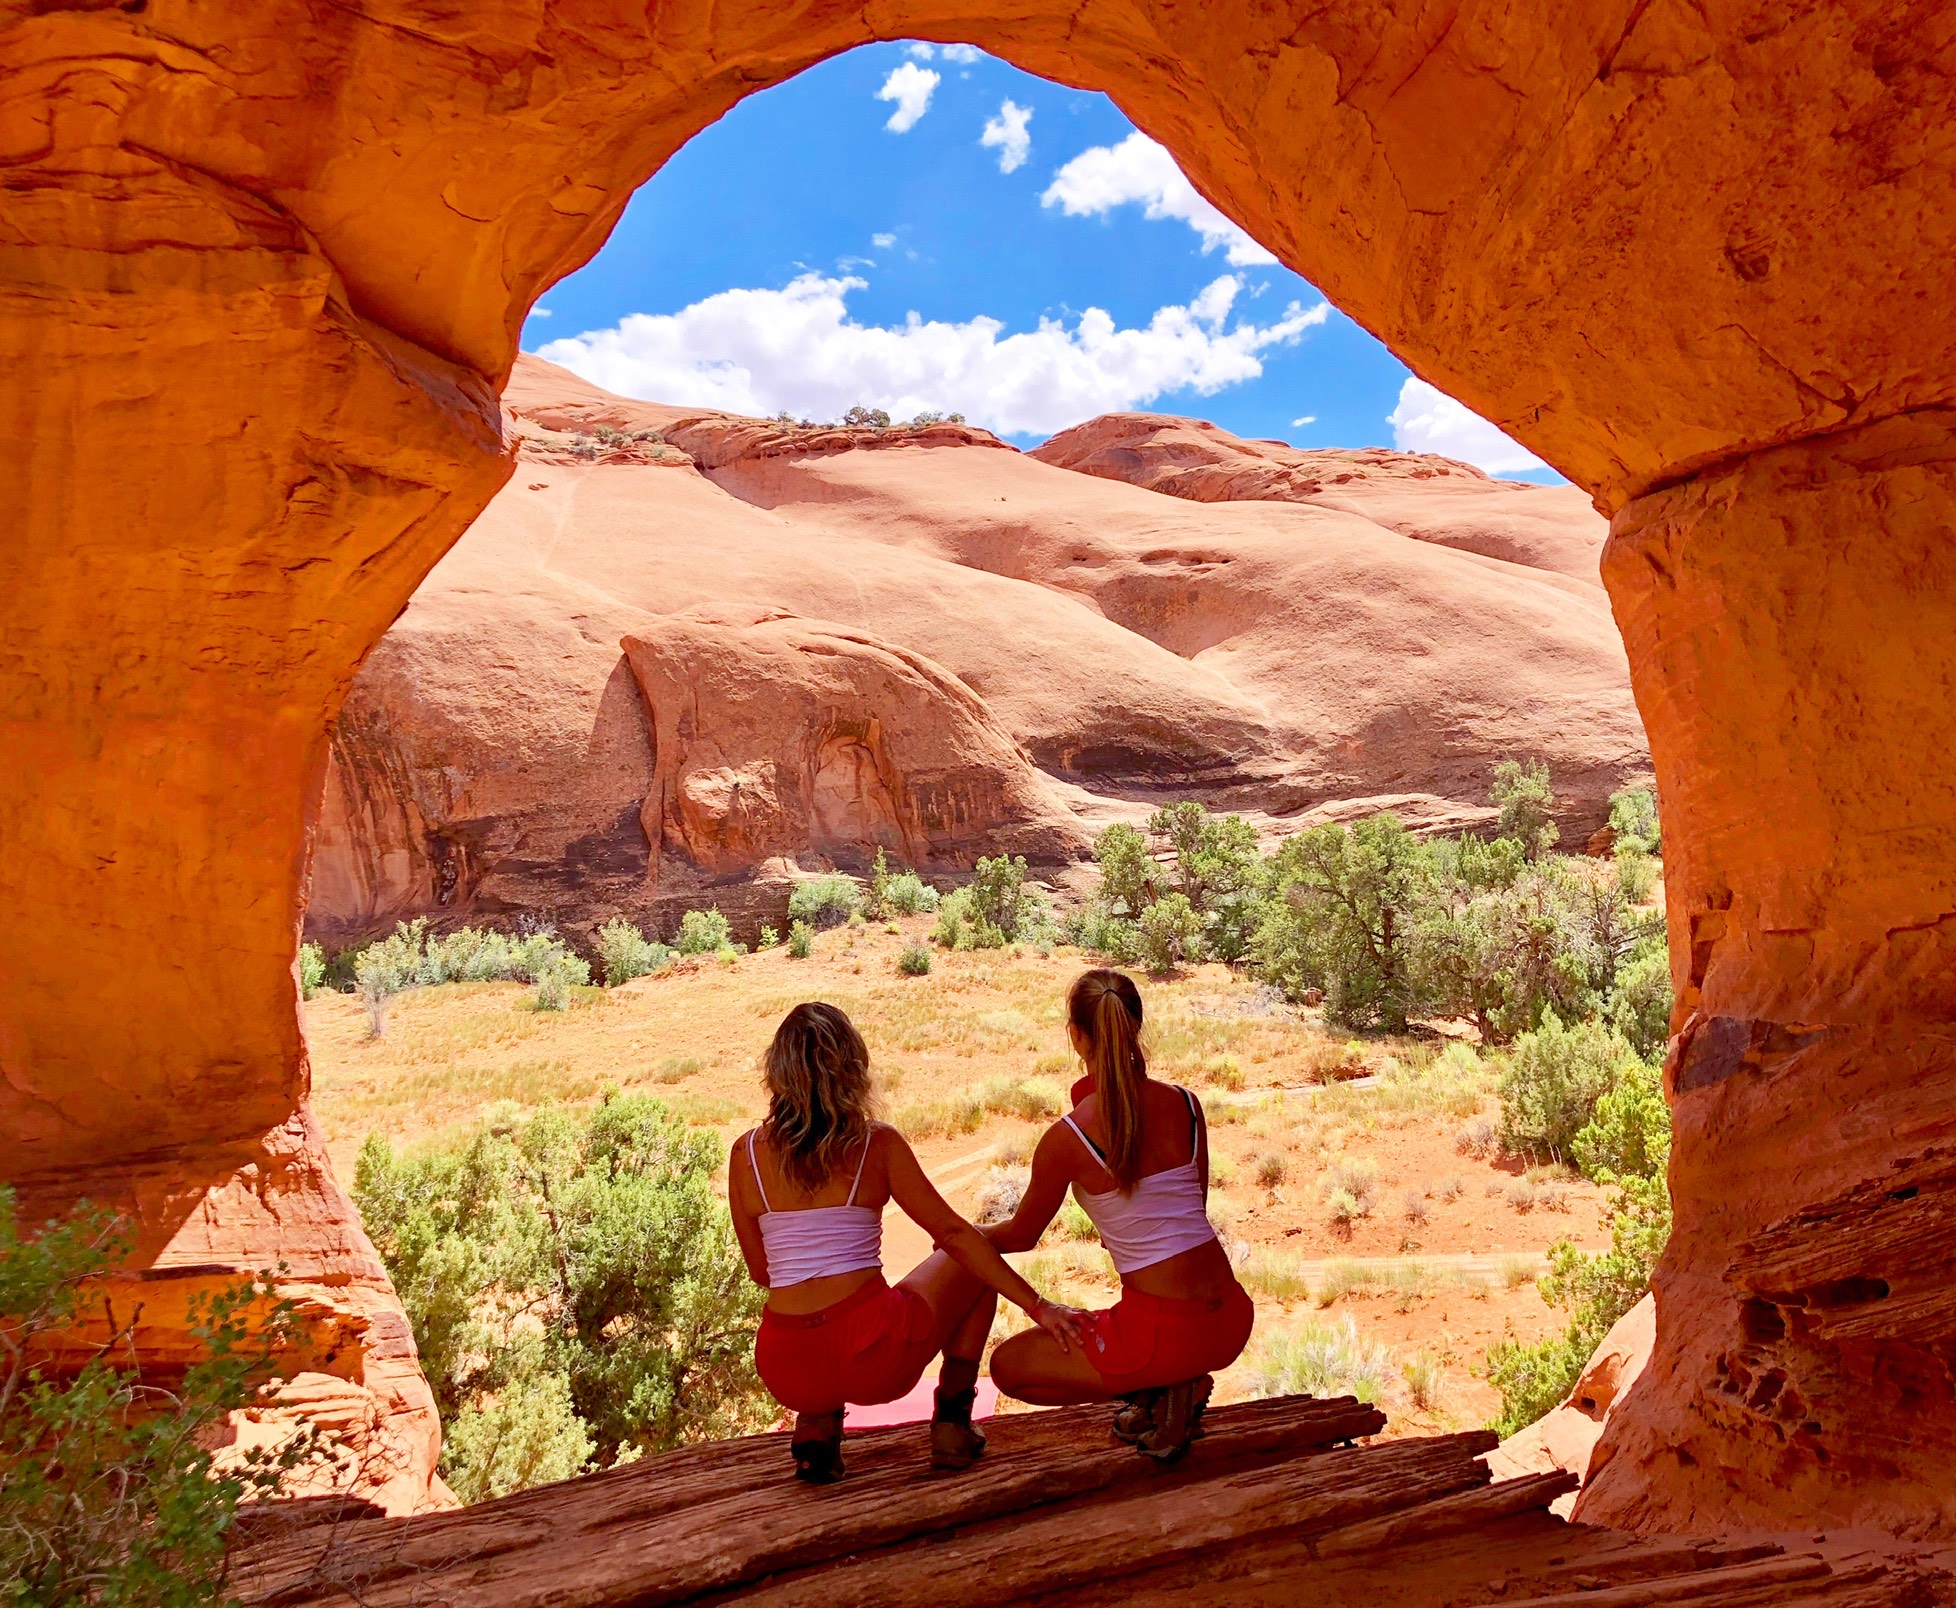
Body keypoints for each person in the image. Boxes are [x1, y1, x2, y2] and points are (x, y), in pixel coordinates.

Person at [729, 1001, 1086, 1483]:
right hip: (873, 1358)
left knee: (823, 1318)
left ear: (777, 1073)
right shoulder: (877, 1145)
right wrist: (1037, 1305)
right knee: (975, 1248)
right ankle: (953, 1422)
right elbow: (955, 1236)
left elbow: (762, 1272)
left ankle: (816, 1425)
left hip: (787, 1366)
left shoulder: (745, 1155)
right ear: (852, 1069)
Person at [983, 968, 1254, 1461]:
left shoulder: (1068, 1138)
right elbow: (1190, 1210)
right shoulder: (1188, 1106)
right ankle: (1175, 1389)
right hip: (1232, 1318)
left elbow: (1021, 1235)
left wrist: (962, 1237)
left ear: (1076, 1036)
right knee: (1148, 1324)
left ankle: (1158, 1392)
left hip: (1161, 1336)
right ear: (1136, 1024)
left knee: (1009, 1368)